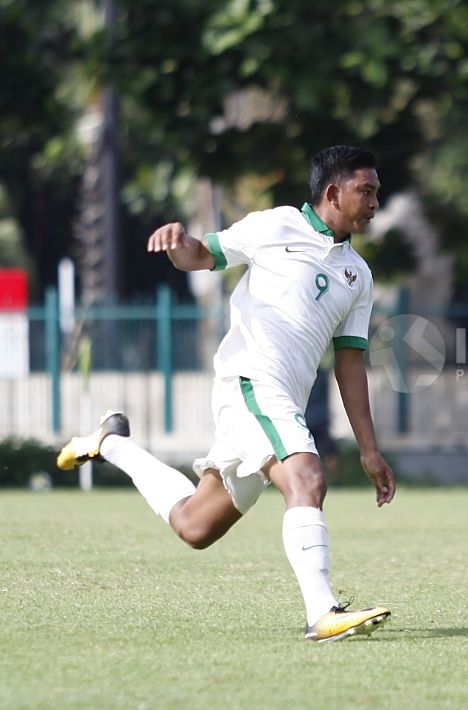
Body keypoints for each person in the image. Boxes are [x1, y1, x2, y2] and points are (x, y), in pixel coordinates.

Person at [57, 145, 397, 642]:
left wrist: (369, 448)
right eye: (365, 191)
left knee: (195, 526)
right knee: (306, 479)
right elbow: (201, 254)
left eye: (376, 193)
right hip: (250, 382)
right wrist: (177, 242)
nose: (373, 203)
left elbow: (349, 362)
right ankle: (322, 612)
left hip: (278, 405)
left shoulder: (358, 276)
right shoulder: (276, 226)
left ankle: (111, 443)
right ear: (332, 192)